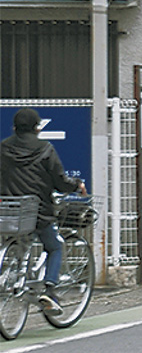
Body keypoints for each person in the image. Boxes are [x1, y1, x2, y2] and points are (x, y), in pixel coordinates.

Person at [0, 108, 87, 316]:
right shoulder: (45, 149)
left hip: (9, 210)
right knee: (54, 246)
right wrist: (76, 185)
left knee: (14, 242)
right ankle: (50, 290)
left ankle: (14, 274)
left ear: (14, 128)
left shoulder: (3, 148)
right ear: (37, 128)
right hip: (38, 211)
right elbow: (59, 180)